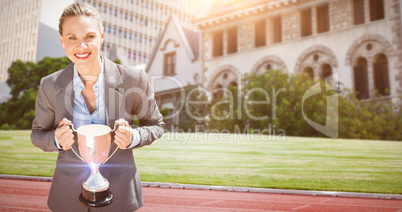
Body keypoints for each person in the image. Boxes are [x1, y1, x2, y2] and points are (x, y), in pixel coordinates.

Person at [31, 2, 164, 211]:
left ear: (101, 36)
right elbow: (37, 134)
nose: (81, 46)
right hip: (68, 194)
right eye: (72, 37)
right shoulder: (49, 85)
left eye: (89, 37)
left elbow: (156, 125)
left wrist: (133, 137)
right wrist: (55, 139)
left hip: (120, 191)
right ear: (62, 41)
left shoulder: (134, 79)